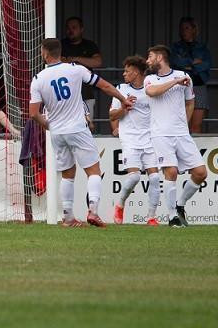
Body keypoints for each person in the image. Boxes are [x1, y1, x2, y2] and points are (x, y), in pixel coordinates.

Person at [28, 38, 132, 228]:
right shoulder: (76, 69)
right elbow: (105, 86)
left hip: (57, 133)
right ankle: (93, 211)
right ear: (60, 52)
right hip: (77, 128)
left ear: (44, 53)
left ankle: (68, 218)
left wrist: (49, 126)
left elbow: (34, 113)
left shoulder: (38, 78)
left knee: (68, 174)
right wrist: (123, 99)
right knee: (93, 171)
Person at [144, 45, 208, 227]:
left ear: (160, 57)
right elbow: (152, 92)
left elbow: (190, 103)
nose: (147, 61)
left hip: (181, 133)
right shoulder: (150, 79)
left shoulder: (184, 77)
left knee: (201, 173)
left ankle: (180, 205)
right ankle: (172, 217)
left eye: (150, 57)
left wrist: (184, 124)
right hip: (161, 134)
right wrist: (175, 82)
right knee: (171, 172)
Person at [109, 56, 161, 226]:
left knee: (154, 178)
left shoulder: (150, 89)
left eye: (127, 71)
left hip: (149, 138)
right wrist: (124, 107)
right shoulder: (121, 89)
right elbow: (112, 115)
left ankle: (151, 217)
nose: (124, 74)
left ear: (137, 72)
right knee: (134, 177)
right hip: (130, 138)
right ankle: (120, 204)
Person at [170, 17, 212, 133]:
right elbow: (175, 63)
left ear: (194, 29)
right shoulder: (176, 47)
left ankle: (193, 150)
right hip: (181, 87)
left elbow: (207, 65)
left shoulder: (202, 48)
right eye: (182, 29)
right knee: (180, 125)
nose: (184, 31)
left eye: (187, 28)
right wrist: (193, 63)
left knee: (196, 126)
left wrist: (188, 66)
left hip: (199, 86)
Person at [61, 17, 102, 122]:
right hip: (65, 93)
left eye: (74, 27)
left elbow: (97, 62)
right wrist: (84, 62)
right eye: (68, 28)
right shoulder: (61, 45)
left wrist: (75, 59)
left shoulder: (89, 45)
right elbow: (57, 61)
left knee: (88, 124)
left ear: (81, 29)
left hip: (86, 92)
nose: (71, 31)